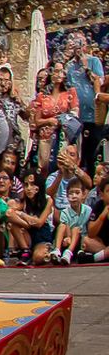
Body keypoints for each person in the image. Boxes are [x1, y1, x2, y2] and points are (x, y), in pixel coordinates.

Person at [64, 32, 104, 166]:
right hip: (77, 118)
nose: (78, 47)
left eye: (81, 43)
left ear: (86, 45)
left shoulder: (94, 61)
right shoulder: (69, 67)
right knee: (77, 157)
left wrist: (87, 68)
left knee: (93, 156)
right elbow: (69, 90)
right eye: (75, 43)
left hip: (93, 117)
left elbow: (100, 82)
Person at [42, 176, 89, 265]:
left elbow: (86, 229)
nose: (74, 196)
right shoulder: (65, 212)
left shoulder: (88, 210)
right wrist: (68, 237)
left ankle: (68, 253)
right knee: (62, 225)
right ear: (67, 196)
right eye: (71, 193)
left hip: (81, 243)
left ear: (83, 195)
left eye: (77, 193)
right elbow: (65, 225)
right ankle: (57, 251)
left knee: (76, 229)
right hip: (67, 240)